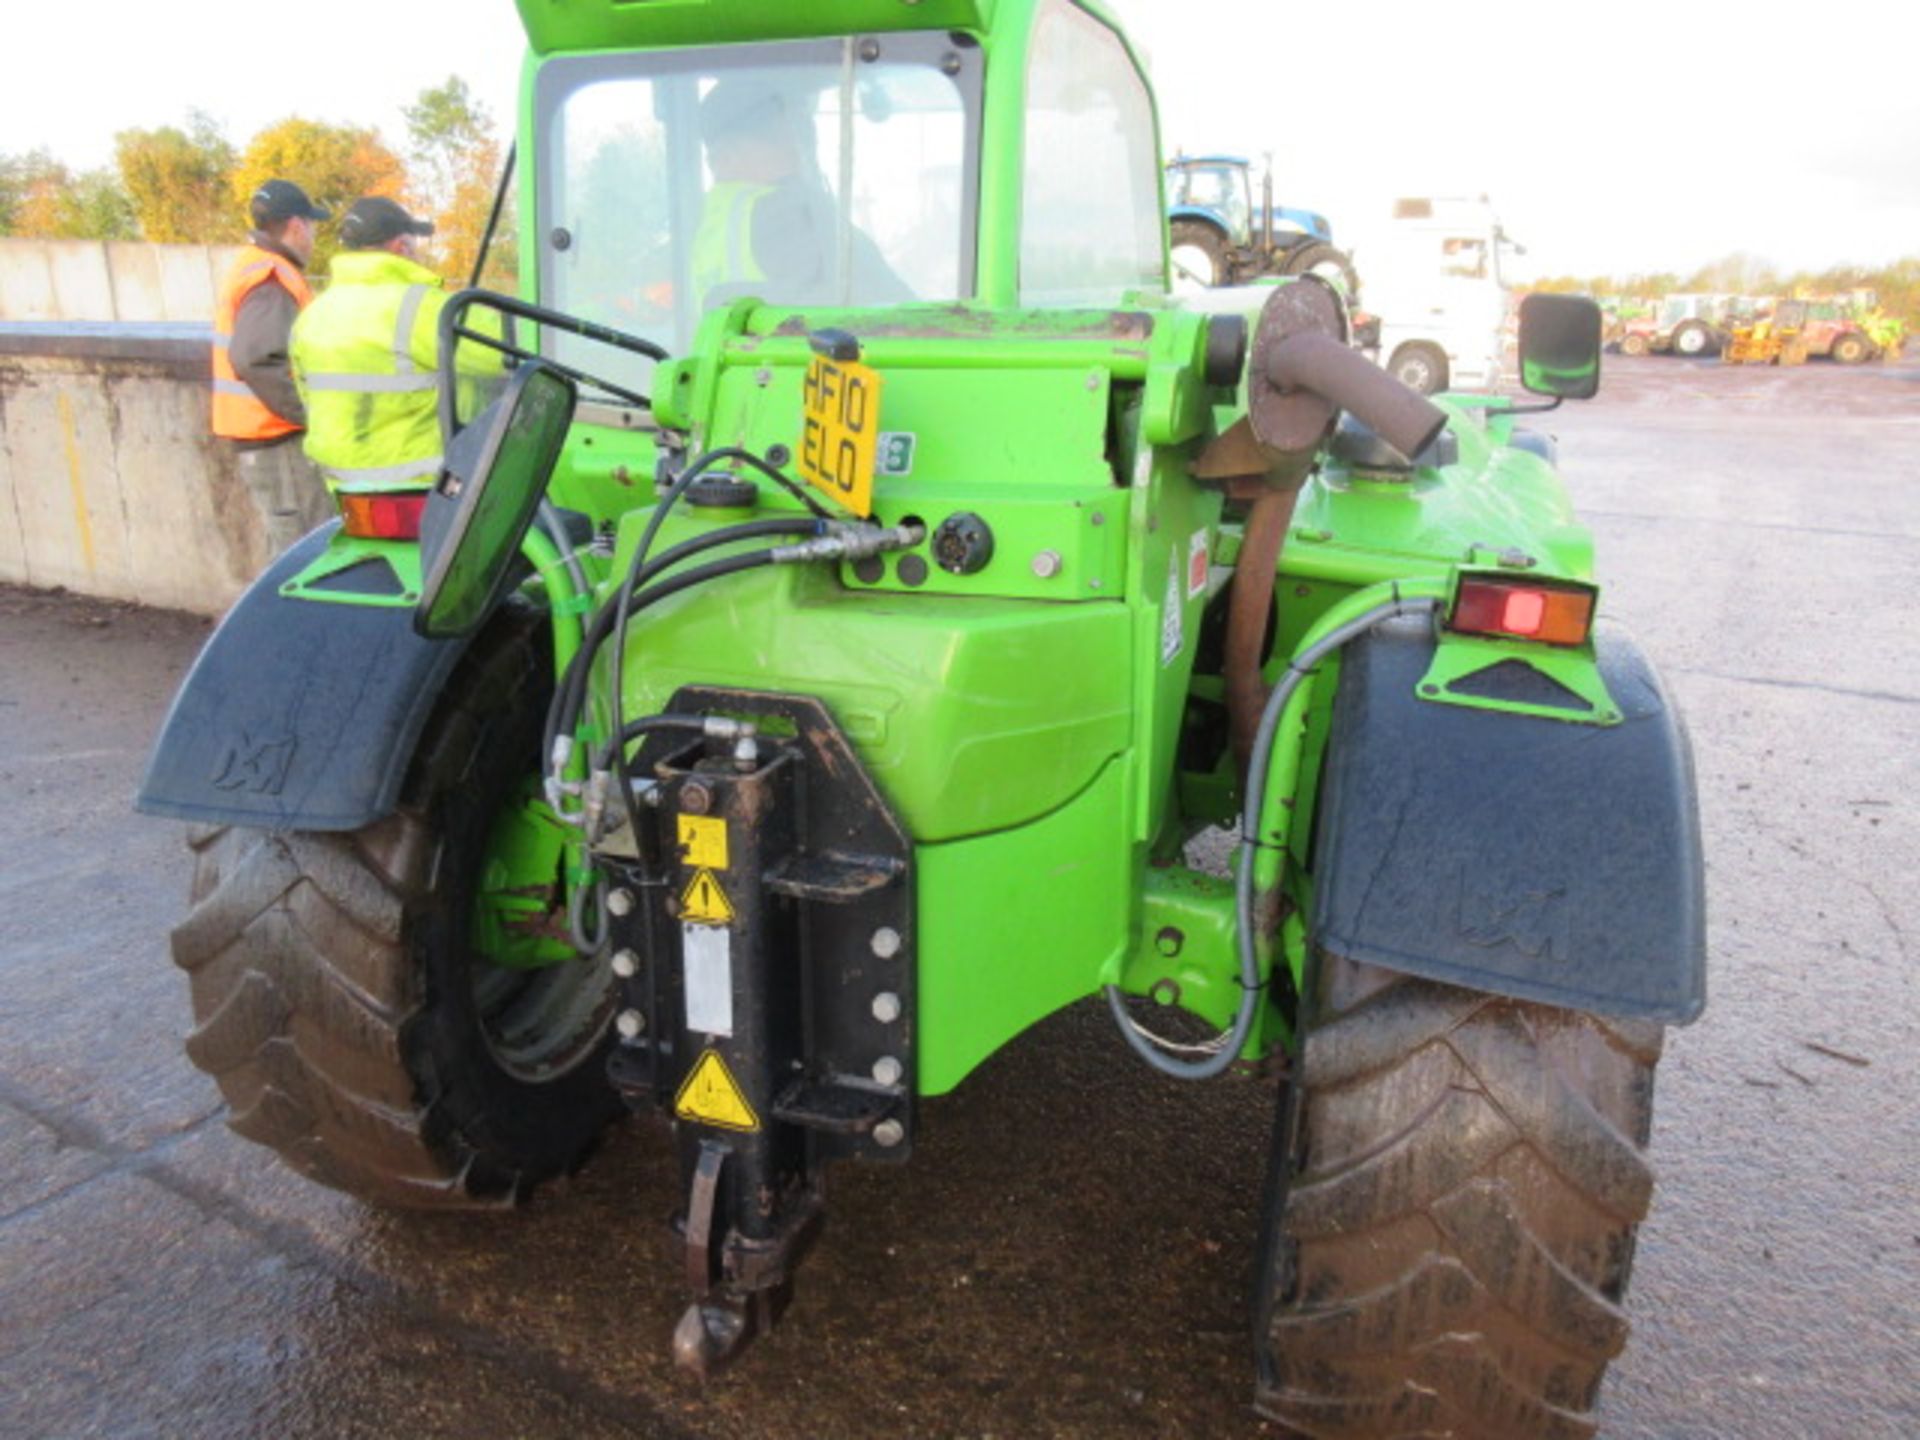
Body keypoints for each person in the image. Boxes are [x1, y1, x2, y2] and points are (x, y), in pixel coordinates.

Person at [291, 196, 500, 496]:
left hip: (343, 489)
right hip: (427, 489)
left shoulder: (312, 315)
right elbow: (503, 353)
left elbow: (307, 395)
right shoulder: (421, 308)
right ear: (402, 246)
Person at [691, 79, 910, 308]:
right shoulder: (788, 212)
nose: (803, 153)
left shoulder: (708, 224)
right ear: (728, 157)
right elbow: (893, 308)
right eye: (798, 135)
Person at [213, 179, 334, 552]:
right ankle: (302, 615)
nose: (312, 237)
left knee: (288, 543)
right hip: (277, 438)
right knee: (304, 551)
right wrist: (311, 414)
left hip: (264, 436)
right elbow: (257, 357)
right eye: (311, 227)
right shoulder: (271, 275)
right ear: (296, 226)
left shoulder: (254, 266)